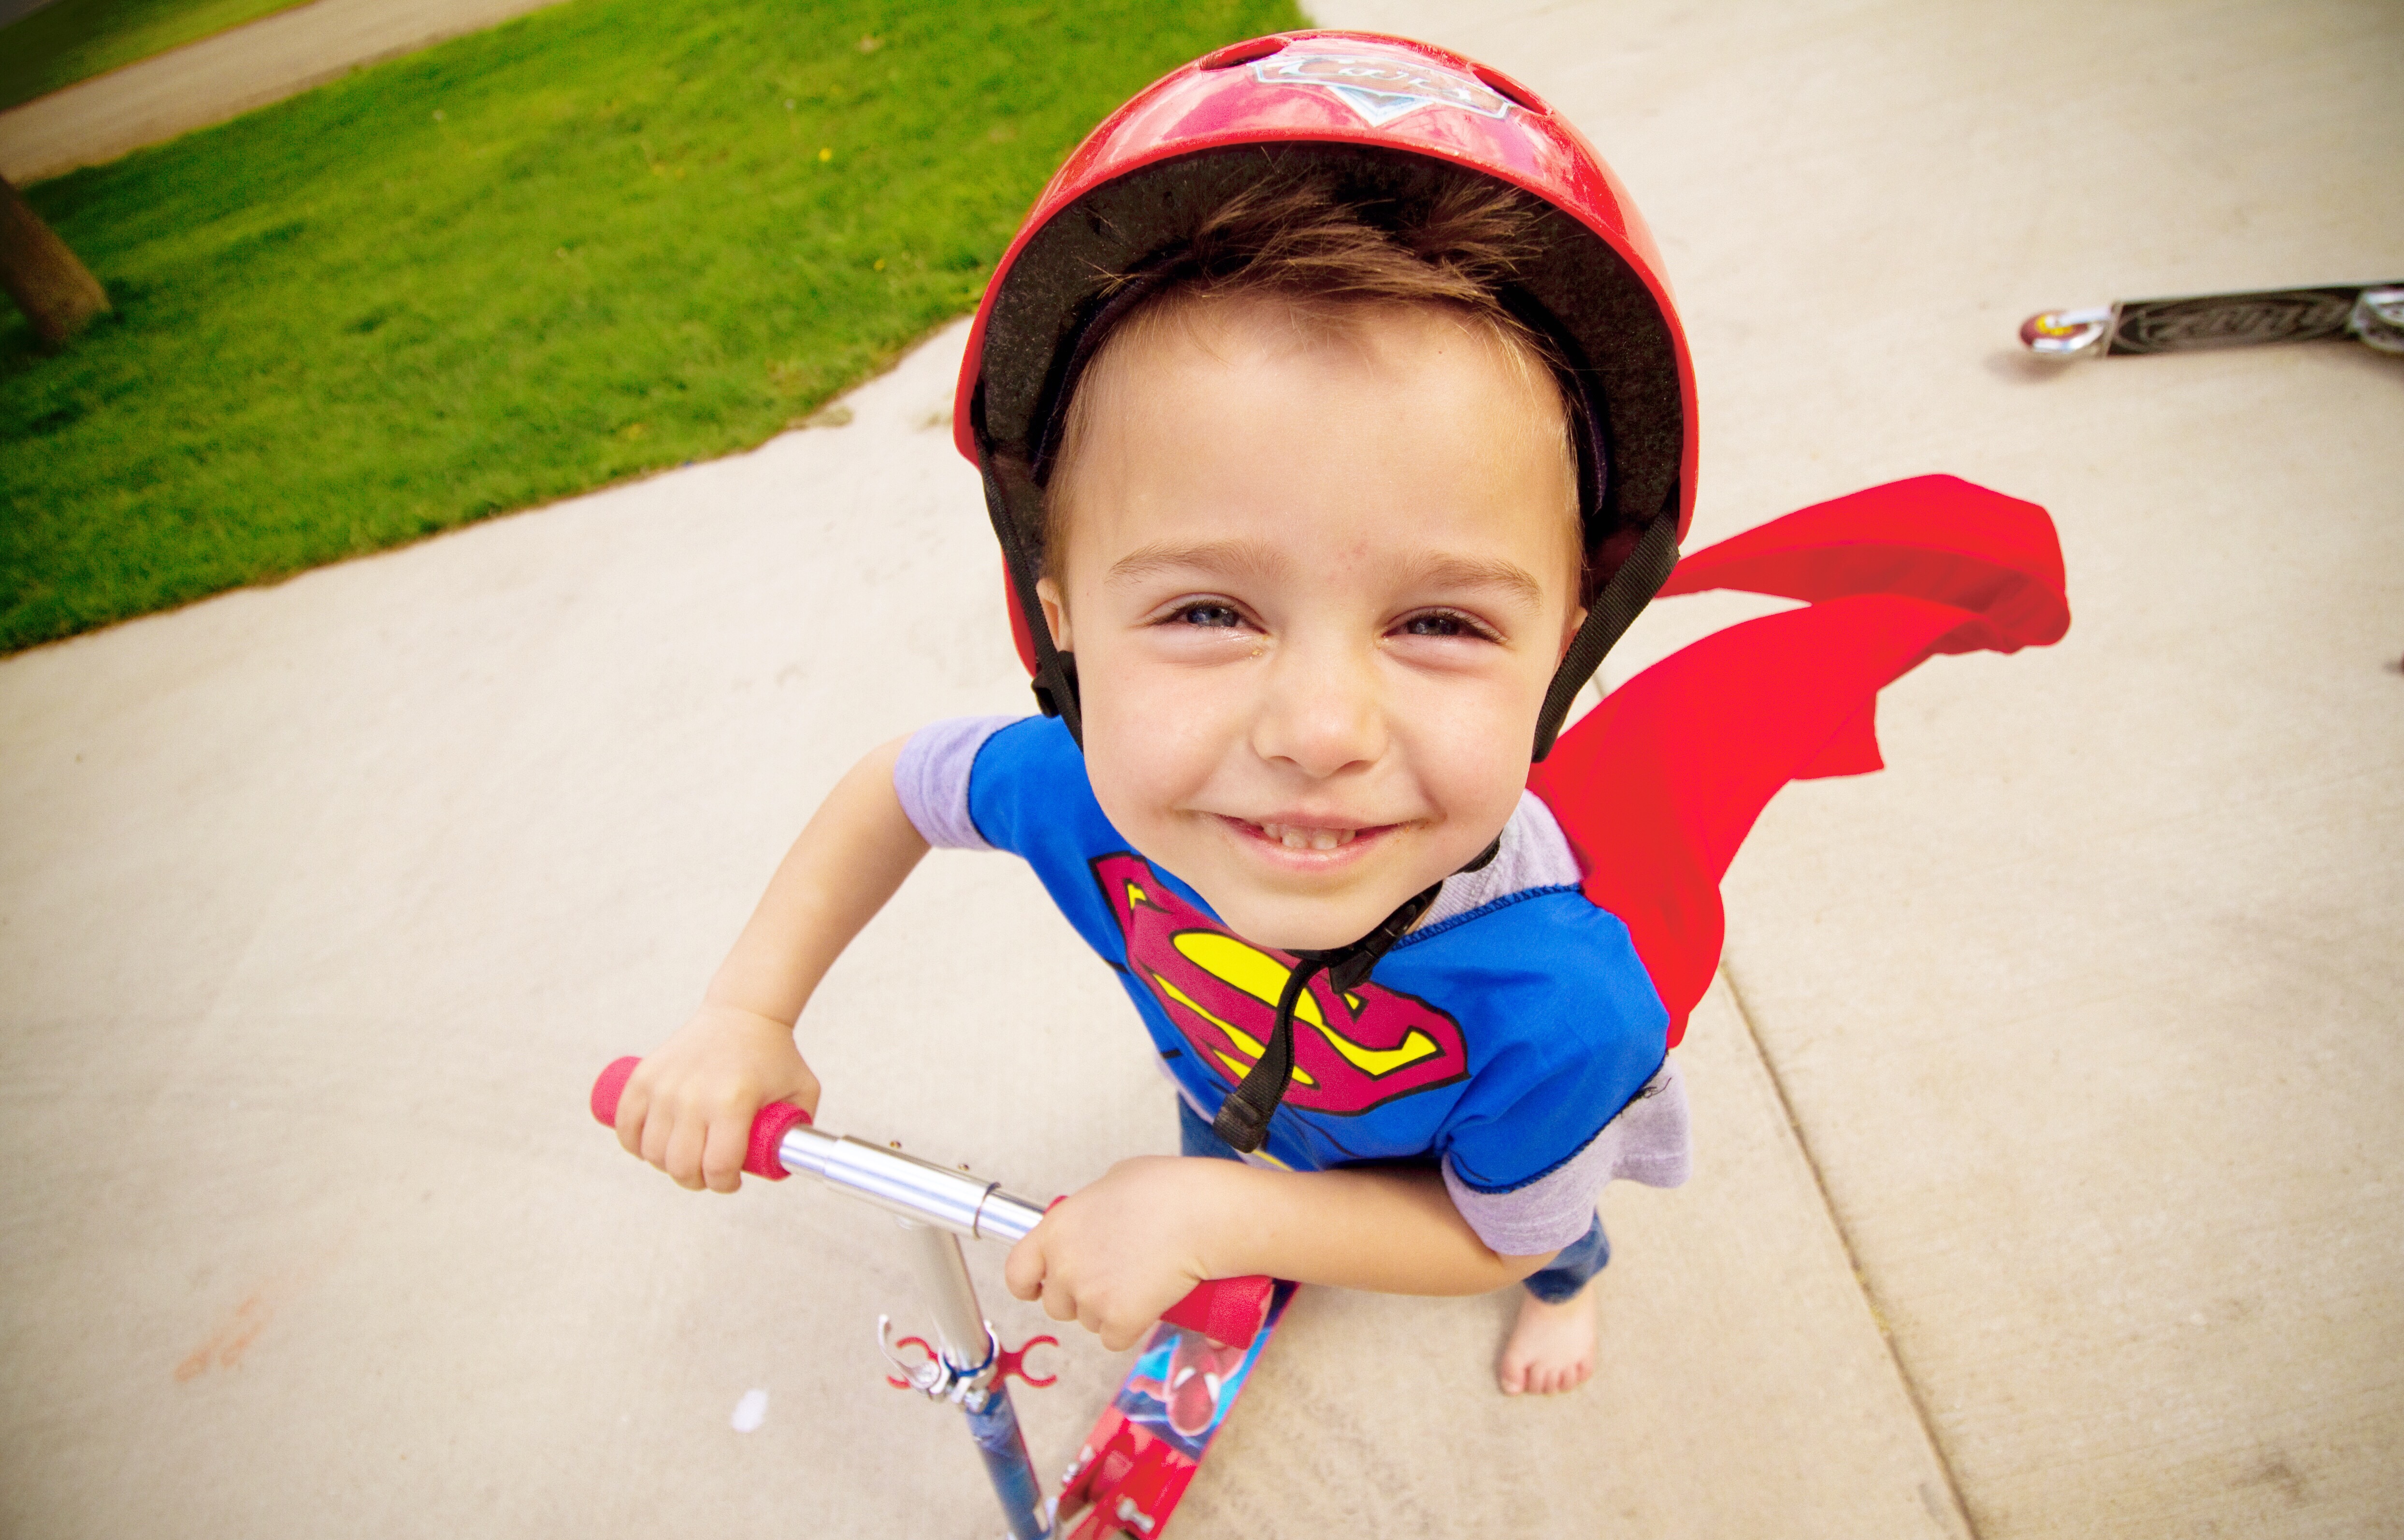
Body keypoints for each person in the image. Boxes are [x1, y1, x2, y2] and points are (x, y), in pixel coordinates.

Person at [606, 32, 2069, 1397]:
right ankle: (1240, 1218)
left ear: (1561, 652)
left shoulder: (1567, 999)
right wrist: (748, 1012)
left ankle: (1569, 1290)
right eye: (1207, 612)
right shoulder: (1071, 788)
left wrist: (1223, 1216)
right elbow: (896, 788)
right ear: (1064, 623)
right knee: (1219, 1159)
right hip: (1231, 1076)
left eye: (1440, 623)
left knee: (1545, 1233)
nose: (1319, 732)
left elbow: (1482, 1230)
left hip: (1466, 1175)